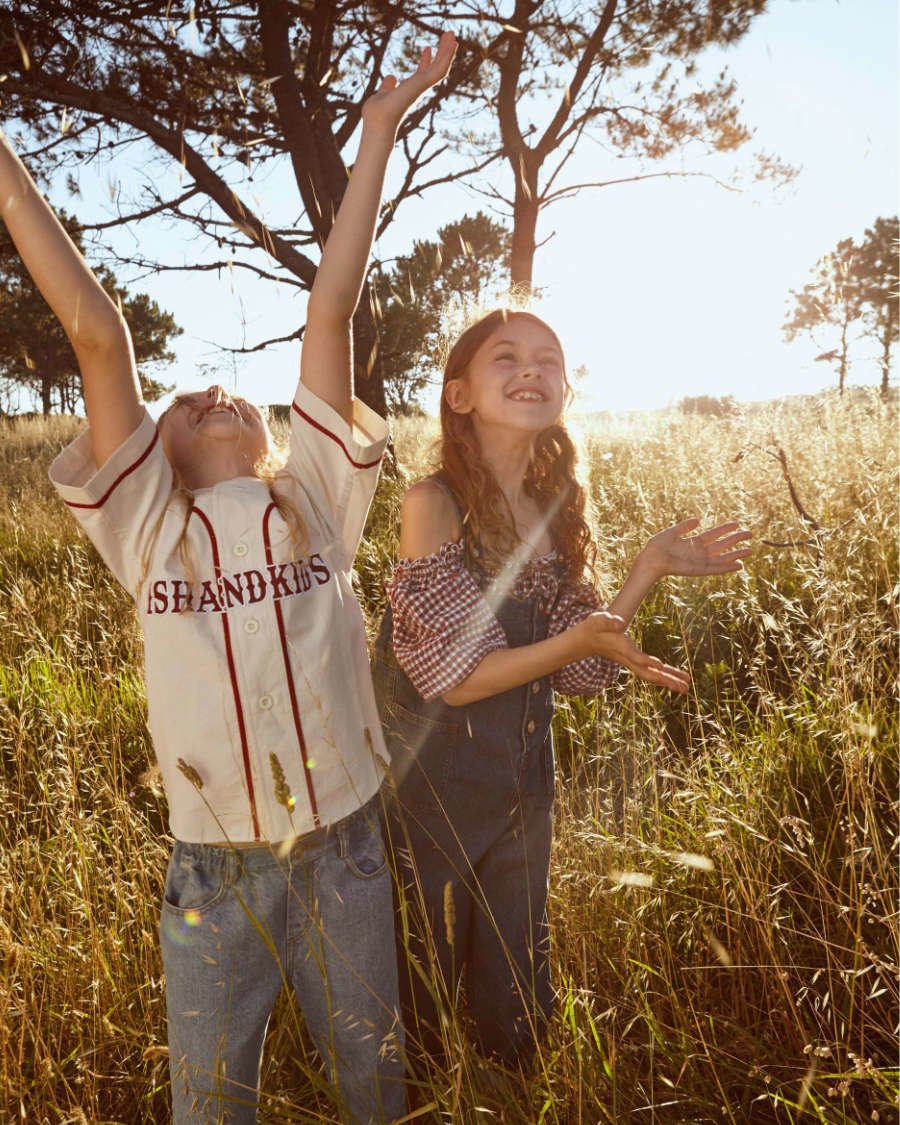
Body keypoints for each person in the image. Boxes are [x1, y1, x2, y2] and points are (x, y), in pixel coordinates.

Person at [0, 30, 458, 1123]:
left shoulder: (313, 499)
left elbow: (329, 310)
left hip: (344, 849)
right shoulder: (147, 530)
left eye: (230, 393)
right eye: (189, 397)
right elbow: (98, 336)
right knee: (210, 1105)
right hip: (211, 875)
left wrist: (381, 129)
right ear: (149, 449)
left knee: (373, 1086)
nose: (211, 389)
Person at [372, 308, 752, 1070]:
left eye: (548, 359)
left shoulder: (556, 509)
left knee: (515, 989)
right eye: (506, 357)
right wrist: (575, 639)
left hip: (522, 780)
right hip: (430, 789)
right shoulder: (433, 504)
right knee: (420, 991)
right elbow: (460, 679)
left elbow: (579, 671)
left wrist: (643, 570)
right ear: (459, 396)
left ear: (566, 389)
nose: (531, 369)